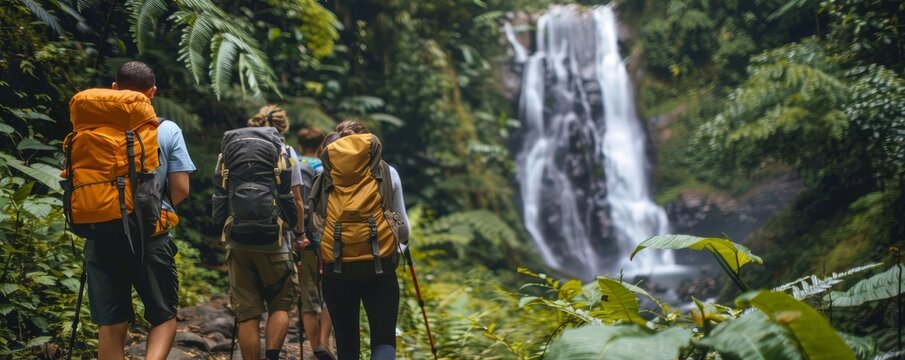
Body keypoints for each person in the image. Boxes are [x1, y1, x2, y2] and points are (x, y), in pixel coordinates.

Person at [87, 61, 195, 360]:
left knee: (110, 323)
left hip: (100, 232)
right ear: (152, 92)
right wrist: (158, 209)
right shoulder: (166, 128)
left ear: (113, 88)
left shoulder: (90, 125)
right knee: (162, 315)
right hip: (150, 233)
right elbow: (182, 188)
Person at [317, 121, 410, 360]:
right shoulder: (387, 172)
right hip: (380, 268)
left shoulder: (324, 173)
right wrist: (396, 247)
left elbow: (315, 224)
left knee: (347, 344)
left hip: (336, 269)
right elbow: (403, 230)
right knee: (383, 339)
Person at [226, 105, 307, 360]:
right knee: (280, 303)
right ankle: (271, 356)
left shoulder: (233, 149)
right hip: (276, 240)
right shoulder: (286, 152)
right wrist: (300, 233)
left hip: (238, 239)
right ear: (283, 127)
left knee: (247, 311)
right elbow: (297, 201)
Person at [296, 128, 336, 360]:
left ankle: (314, 348)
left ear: (300, 145)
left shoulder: (293, 163)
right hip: (326, 237)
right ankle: (324, 342)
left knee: (308, 294)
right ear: (321, 144)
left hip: (303, 239)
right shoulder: (324, 167)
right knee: (329, 291)